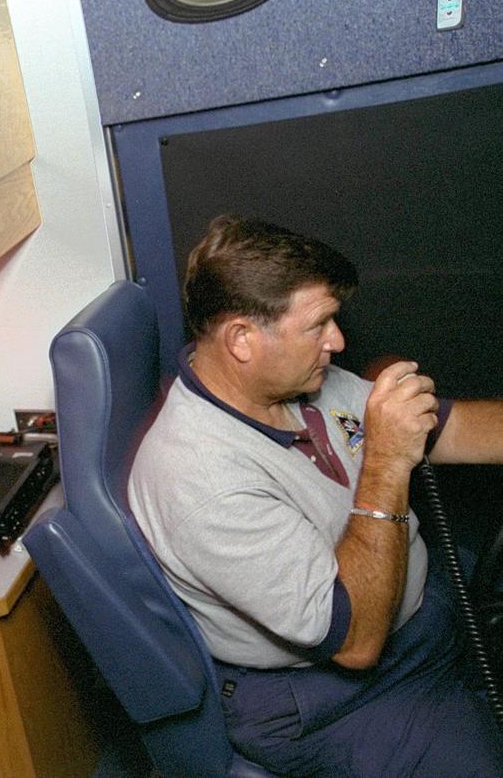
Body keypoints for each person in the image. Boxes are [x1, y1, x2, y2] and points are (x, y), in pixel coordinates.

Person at [128, 214, 503, 776]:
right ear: (241, 339)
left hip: (423, 619)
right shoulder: (197, 478)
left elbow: (450, 429)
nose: (338, 341)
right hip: (335, 698)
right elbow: (356, 641)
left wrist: (399, 433)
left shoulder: (296, 384)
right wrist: (386, 458)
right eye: (318, 325)